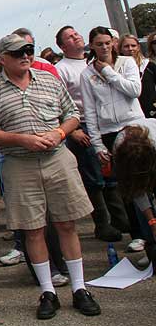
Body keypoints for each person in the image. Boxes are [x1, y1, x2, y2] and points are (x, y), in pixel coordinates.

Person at [0, 34, 100, 319]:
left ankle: (80, 288)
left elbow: (71, 114)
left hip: (57, 160)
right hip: (19, 165)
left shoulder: (49, 80)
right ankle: (48, 291)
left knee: (67, 224)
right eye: (18, 51)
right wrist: (21, 140)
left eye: (29, 50)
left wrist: (59, 133)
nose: (25, 55)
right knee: (33, 230)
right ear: (2, 58)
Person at [80, 27, 147, 253]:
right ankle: (137, 233)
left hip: (135, 126)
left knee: (147, 179)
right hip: (109, 131)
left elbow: (134, 90)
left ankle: (151, 223)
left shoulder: (127, 63)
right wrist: (97, 143)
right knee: (125, 185)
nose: (105, 47)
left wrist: (109, 73)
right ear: (92, 46)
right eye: (100, 44)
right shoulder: (86, 74)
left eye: (108, 42)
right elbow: (89, 111)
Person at [55, 25, 123, 241]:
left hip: (107, 124)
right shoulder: (62, 68)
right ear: (62, 46)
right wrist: (72, 130)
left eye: (76, 33)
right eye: (70, 37)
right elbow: (59, 103)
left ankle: (121, 220)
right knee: (94, 178)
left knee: (113, 174)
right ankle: (102, 224)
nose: (76, 37)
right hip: (81, 126)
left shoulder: (96, 63)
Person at [112, 119, 156, 263]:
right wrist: (152, 221)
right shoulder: (120, 147)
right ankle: (152, 251)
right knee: (146, 217)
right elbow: (136, 189)